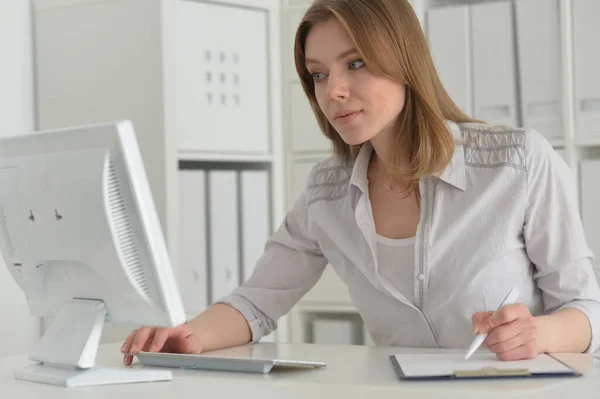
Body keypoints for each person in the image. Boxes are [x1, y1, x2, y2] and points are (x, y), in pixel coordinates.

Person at [122, 0, 600, 365]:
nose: (333, 91)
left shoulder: (517, 163)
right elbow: (256, 302)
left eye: (355, 63)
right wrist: (186, 336)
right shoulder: (326, 193)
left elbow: (586, 310)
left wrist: (539, 333)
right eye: (317, 74)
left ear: (404, 61)